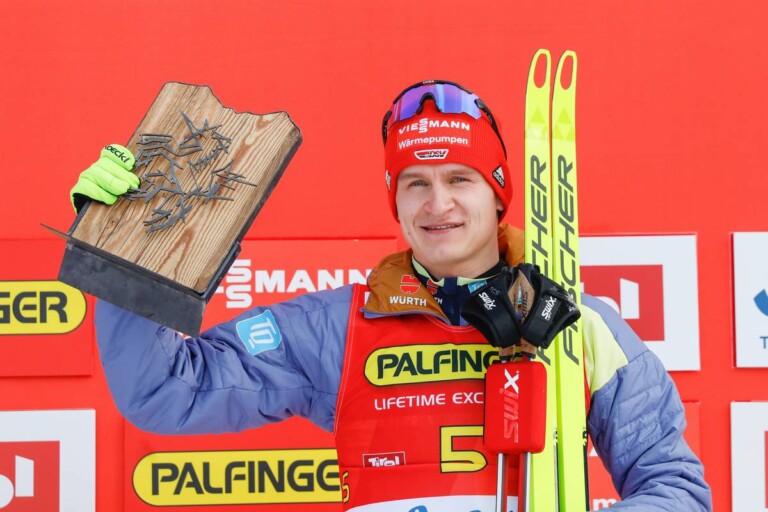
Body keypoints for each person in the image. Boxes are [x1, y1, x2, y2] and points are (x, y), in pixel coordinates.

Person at [71, 80, 712, 511]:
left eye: (459, 178)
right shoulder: (334, 327)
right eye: (415, 183)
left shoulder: (579, 324)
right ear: (394, 200)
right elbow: (168, 390)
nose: (438, 205)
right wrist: (127, 255)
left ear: (498, 192)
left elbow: (675, 487)